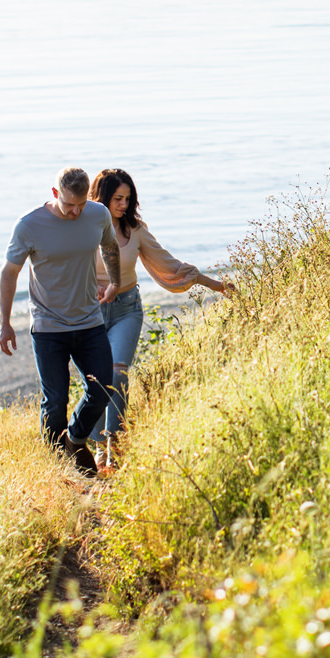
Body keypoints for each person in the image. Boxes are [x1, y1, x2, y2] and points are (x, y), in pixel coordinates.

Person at [87, 168, 234, 467]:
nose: (124, 205)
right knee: (95, 380)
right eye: (118, 198)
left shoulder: (135, 230)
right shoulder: (83, 227)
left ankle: (113, 447)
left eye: (128, 199)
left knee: (117, 373)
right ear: (102, 197)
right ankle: (99, 443)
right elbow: (62, 265)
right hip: (89, 312)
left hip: (127, 309)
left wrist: (216, 285)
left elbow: (169, 264)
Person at [0, 165, 122, 478]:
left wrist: (115, 282)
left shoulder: (98, 214)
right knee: (54, 402)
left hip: (89, 321)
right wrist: (5, 323)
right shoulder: (29, 225)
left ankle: (75, 439)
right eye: (69, 206)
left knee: (103, 388)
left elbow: (109, 244)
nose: (76, 212)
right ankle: (58, 471)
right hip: (48, 326)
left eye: (81, 205)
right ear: (55, 195)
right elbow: (8, 272)